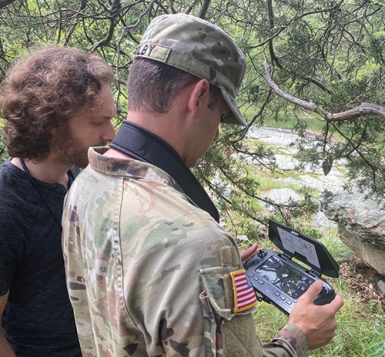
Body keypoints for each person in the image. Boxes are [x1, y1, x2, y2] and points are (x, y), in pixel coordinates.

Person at [62, 13, 344, 357]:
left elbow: (123, 290)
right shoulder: (196, 245)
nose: (216, 132)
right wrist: (297, 337)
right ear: (198, 96)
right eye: (221, 116)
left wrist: (206, 281)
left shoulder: (86, 182)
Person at [0, 46, 116, 356]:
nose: (111, 134)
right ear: (52, 123)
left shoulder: (84, 180)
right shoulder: (6, 207)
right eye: (97, 123)